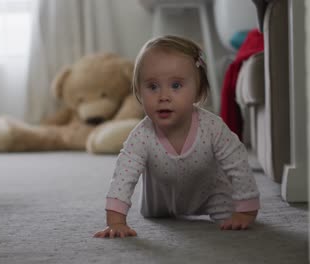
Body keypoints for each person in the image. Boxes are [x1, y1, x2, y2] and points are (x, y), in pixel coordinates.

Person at [94, 35, 260, 239]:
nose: (164, 96)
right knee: (155, 216)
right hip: (158, 205)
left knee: (229, 216)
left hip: (211, 196)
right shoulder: (142, 136)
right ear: (138, 92)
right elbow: (123, 176)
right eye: (153, 87)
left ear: (198, 92)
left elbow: (237, 162)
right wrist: (116, 222)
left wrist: (246, 209)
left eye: (176, 86)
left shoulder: (213, 128)